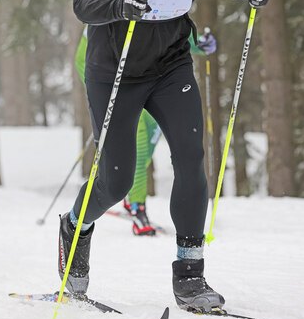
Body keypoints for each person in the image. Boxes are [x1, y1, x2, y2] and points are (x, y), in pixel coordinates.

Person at [59, 0, 271, 312]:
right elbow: (84, 2)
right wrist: (120, 4)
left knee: (192, 157)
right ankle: (75, 226)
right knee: (116, 180)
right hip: (115, 66)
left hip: (171, 61)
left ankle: (190, 275)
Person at [76, 27, 217, 237]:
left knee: (149, 143)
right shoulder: (109, 11)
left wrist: (198, 43)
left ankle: (132, 198)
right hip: (118, 81)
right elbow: (83, 58)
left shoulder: (162, 8)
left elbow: (173, 31)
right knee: (139, 145)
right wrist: (102, 95)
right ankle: (137, 207)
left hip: (156, 78)